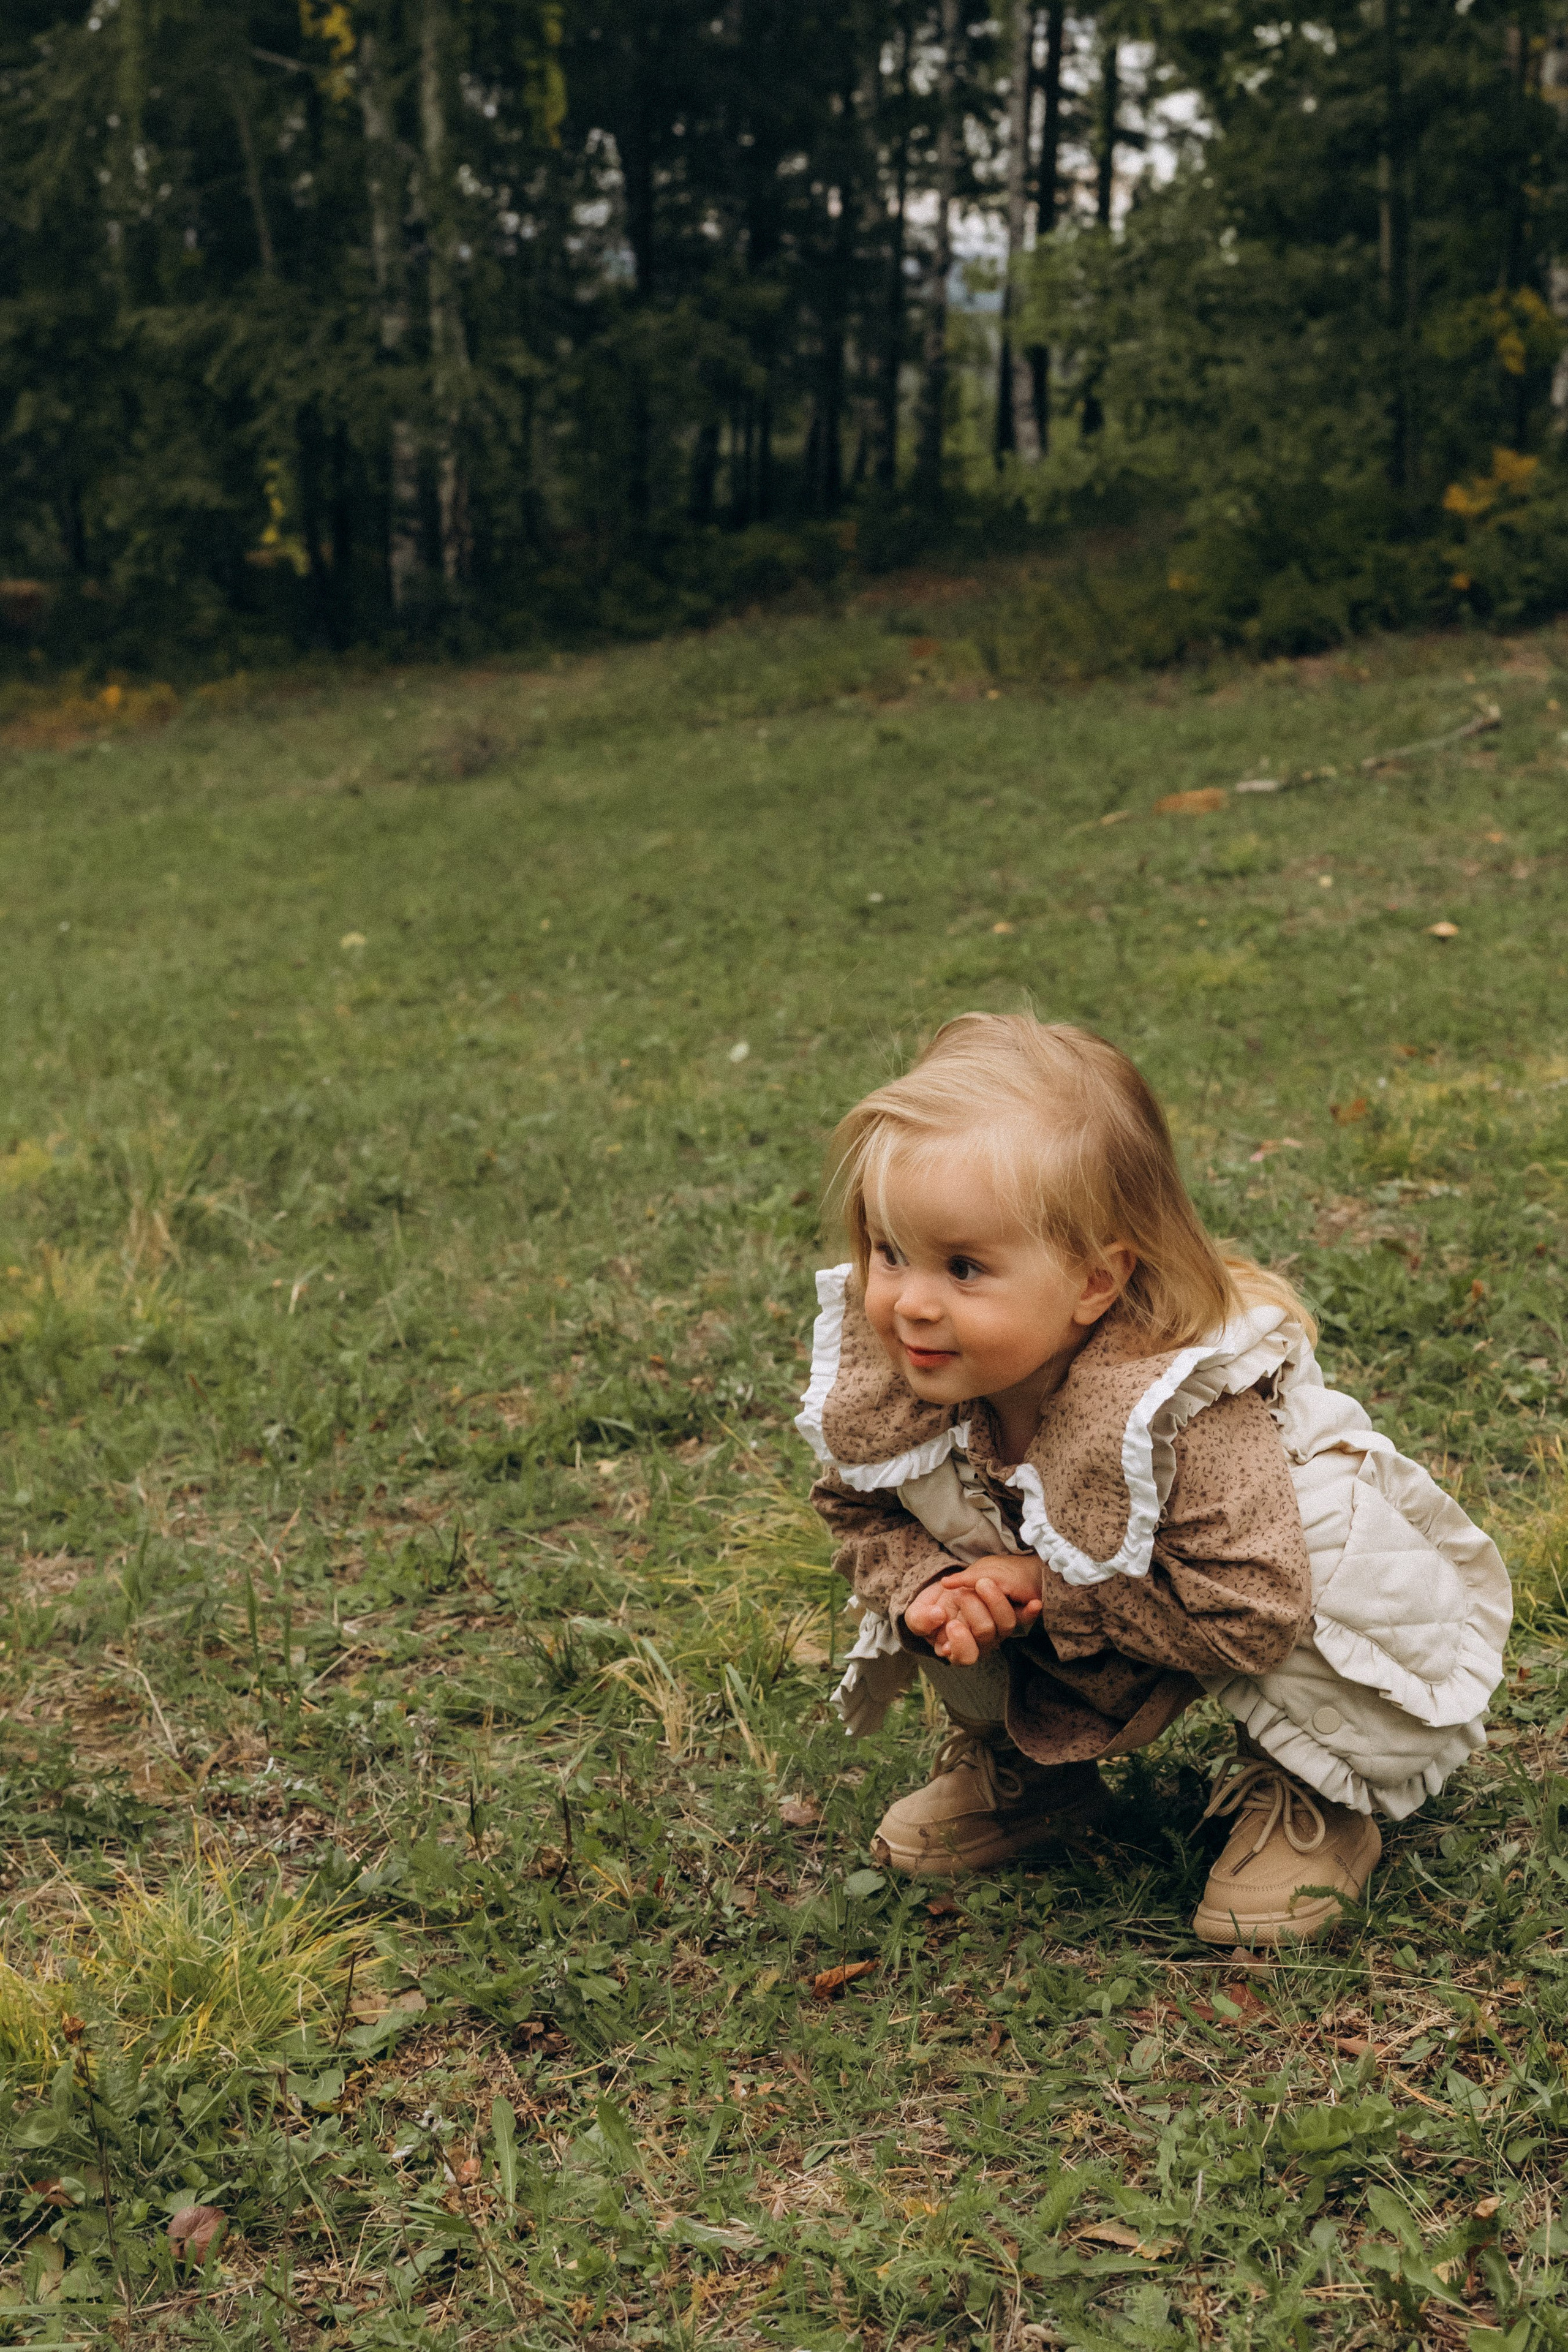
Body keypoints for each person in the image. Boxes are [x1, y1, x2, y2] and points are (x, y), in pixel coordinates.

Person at [797, 1014, 1512, 1945]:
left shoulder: (1184, 1414)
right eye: (889, 1251)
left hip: (1241, 1600)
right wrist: (934, 1589)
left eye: (965, 1266)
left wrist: (1050, 1592)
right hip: (1106, 1602)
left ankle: (1317, 1791)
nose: (912, 1301)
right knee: (932, 1518)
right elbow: (855, 1506)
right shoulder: (908, 1366)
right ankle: (1028, 1770)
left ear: (1095, 1282)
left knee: (1325, 1547)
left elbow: (1258, 1609)